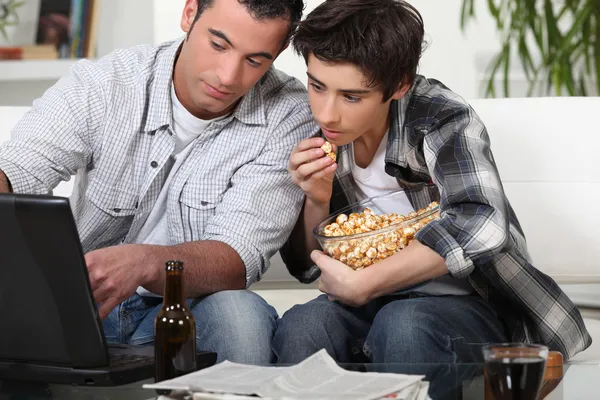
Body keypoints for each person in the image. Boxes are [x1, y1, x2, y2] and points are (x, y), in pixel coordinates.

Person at [274, 0, 591, 366]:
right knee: (303, 325)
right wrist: (317, 198)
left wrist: (367, 283)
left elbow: (483, 224)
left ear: (399, 85)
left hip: (472, 305)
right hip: (373, 306)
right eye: (317, 86)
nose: (326, 112)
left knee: (404, 325)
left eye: (352, 96)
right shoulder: (323, 135)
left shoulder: (439, 116)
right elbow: (307, 267)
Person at [0, 0, 318, 364]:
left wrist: (148, 263)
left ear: (277, 53)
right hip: (79, 302)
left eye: (255, 60)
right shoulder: (109, 82)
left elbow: (237, 257)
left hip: (190, 311)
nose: (228, 76)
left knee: (240, 316)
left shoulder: (290, 115)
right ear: (189, 14)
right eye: (218, 44)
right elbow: (16, 168)